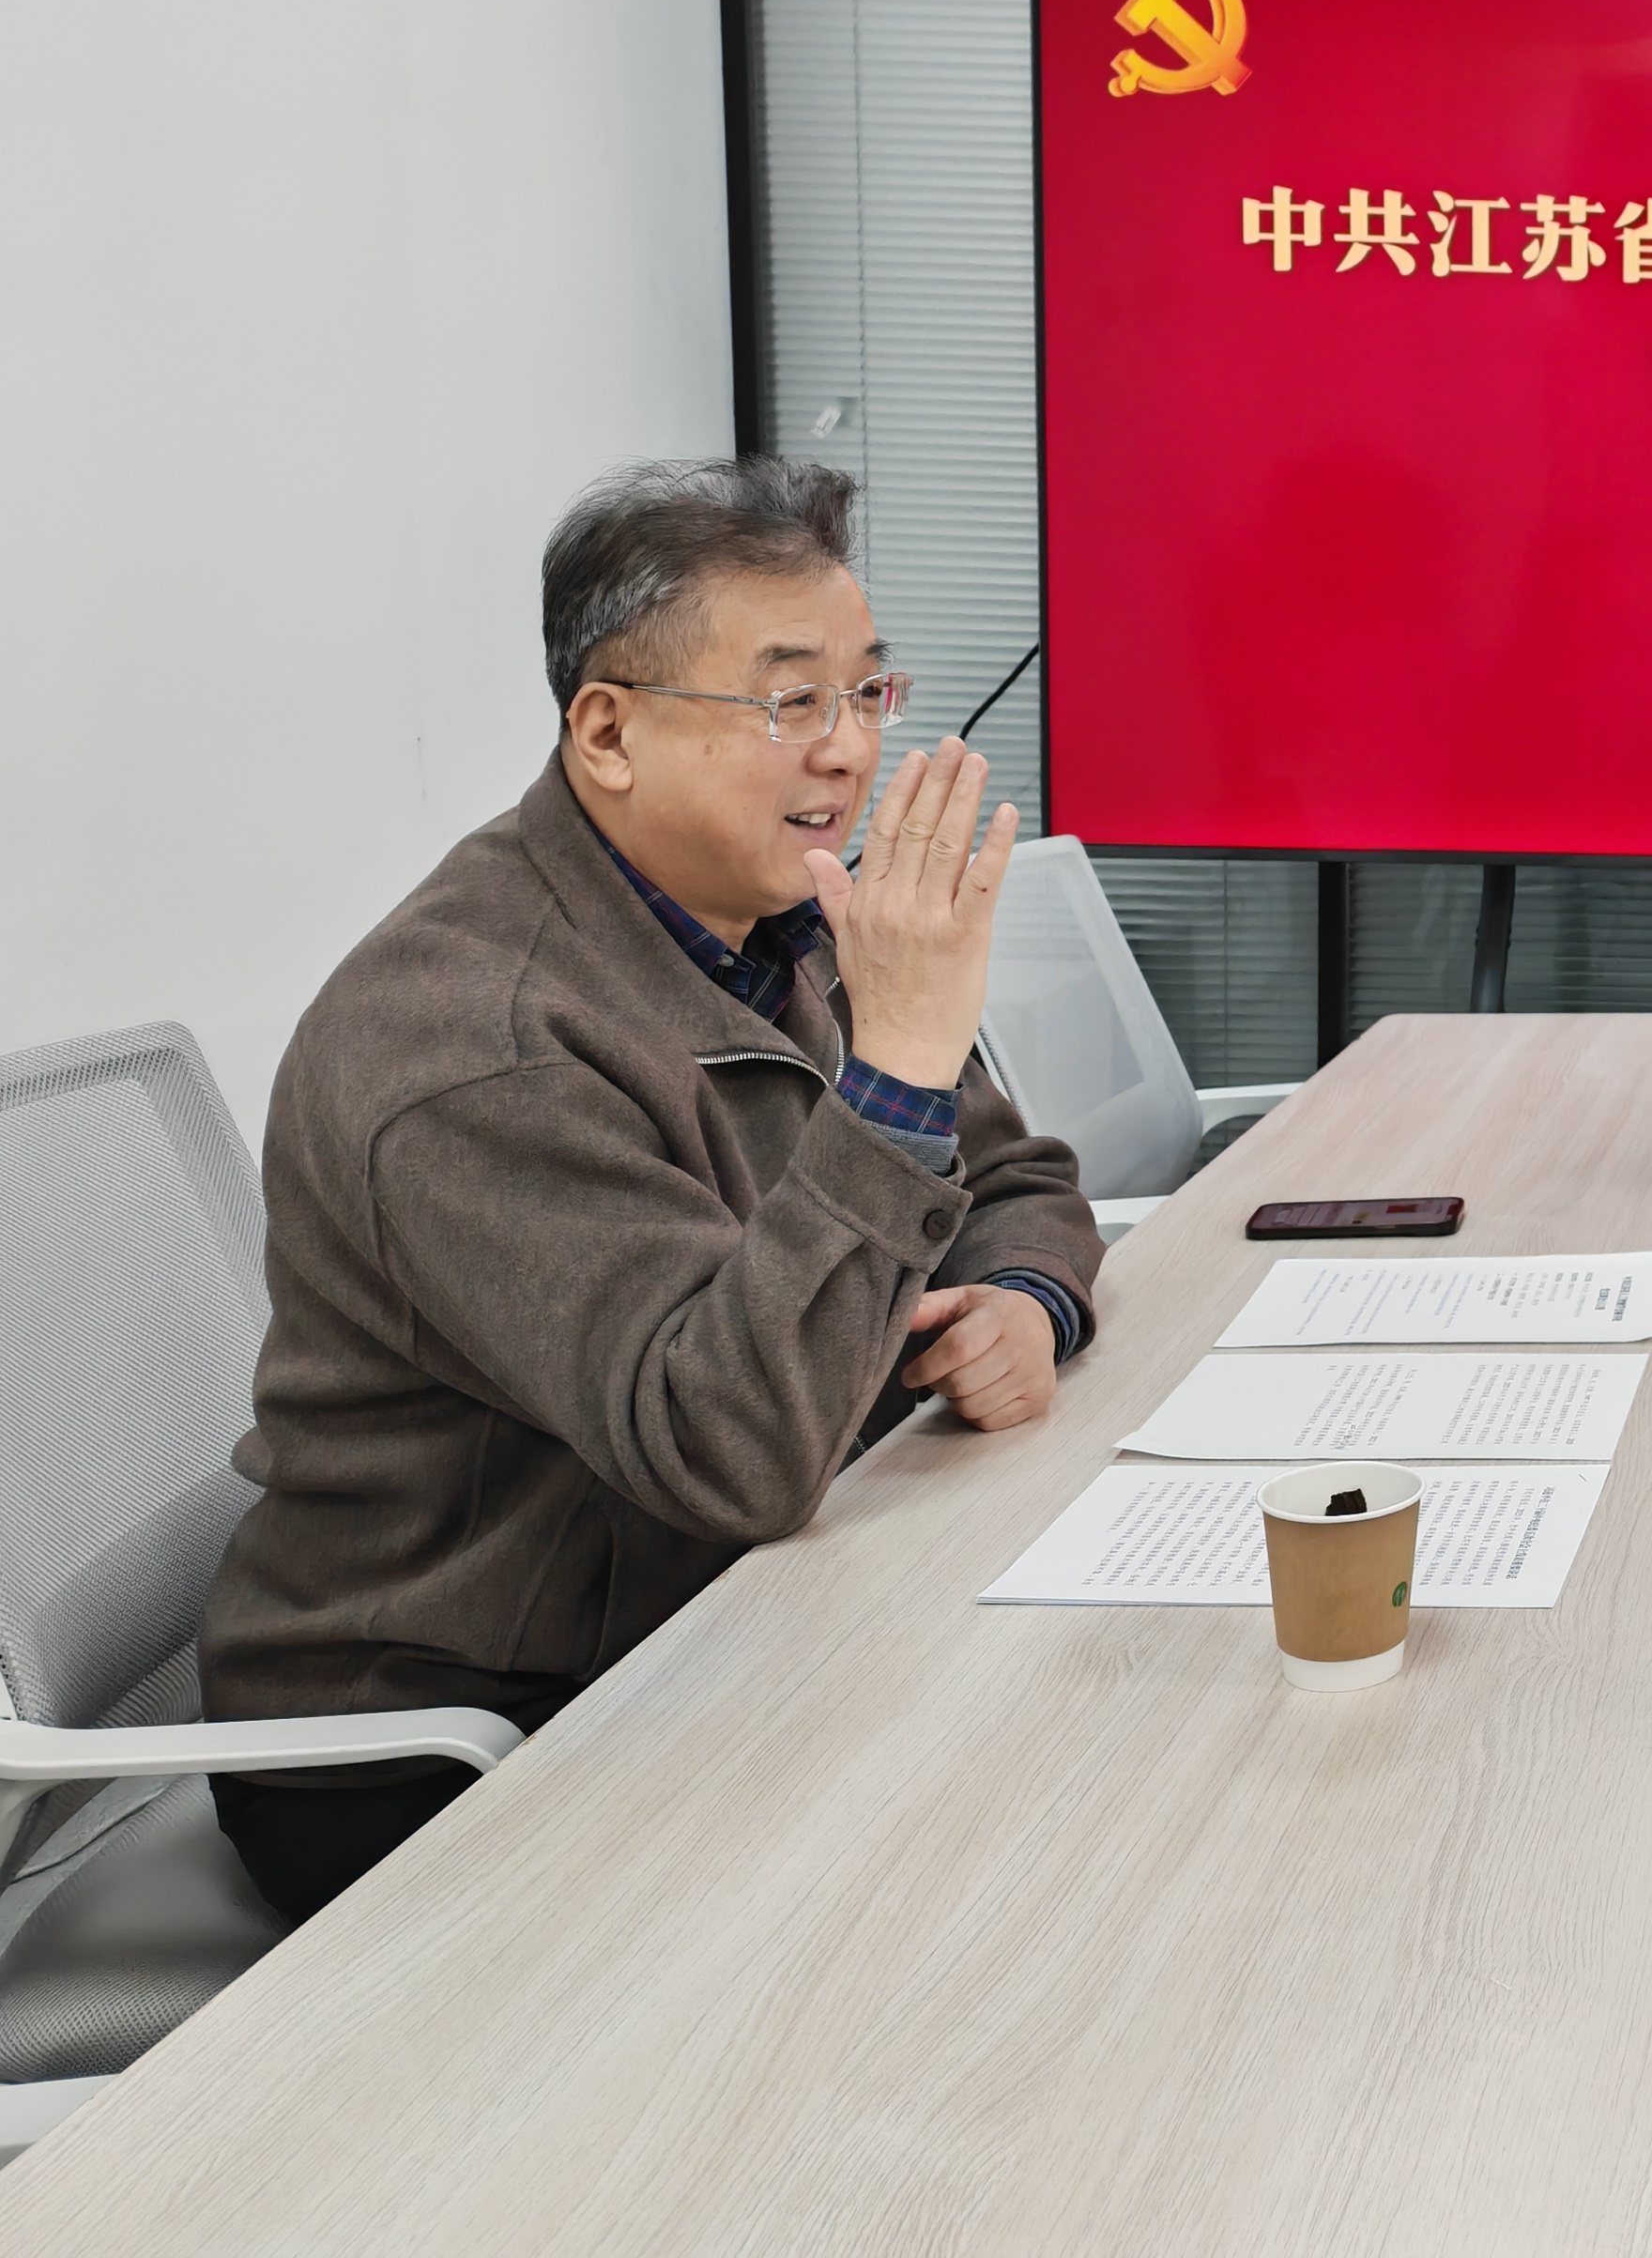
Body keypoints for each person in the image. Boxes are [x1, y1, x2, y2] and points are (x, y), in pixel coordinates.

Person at [198, 457, 1104, 1921]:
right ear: (608, 733)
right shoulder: (470, 1039)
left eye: (867, 693)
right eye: (789, 701)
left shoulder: (776, 924)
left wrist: (1022, 1297)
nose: (849, 751)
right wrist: (899, 1066)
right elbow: (729, 1447)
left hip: (712, 1624)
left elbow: (1012, 1177)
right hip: (447, 1742)